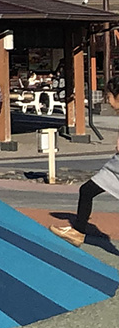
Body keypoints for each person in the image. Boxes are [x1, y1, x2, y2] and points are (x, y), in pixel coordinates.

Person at [50, 77, 119, 247]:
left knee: (87, 190)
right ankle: (78, 232)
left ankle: (78, 231)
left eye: (109, 97)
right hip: (114, 167)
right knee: (87, 190)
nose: (108, 101)